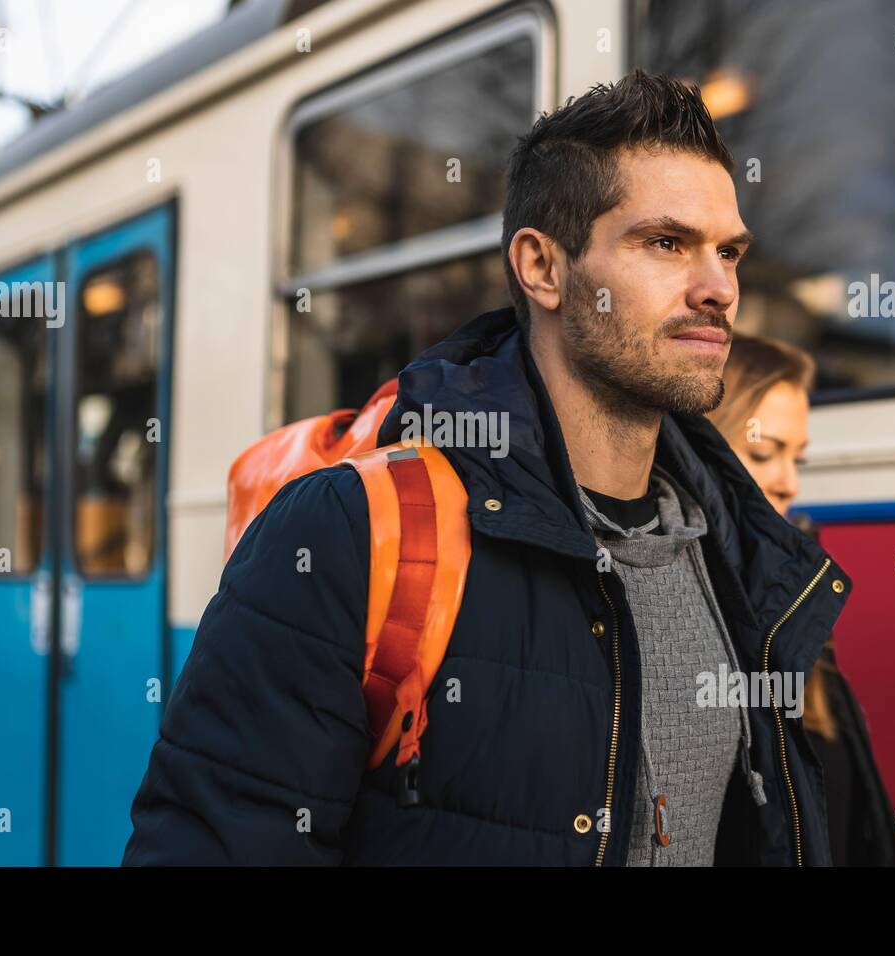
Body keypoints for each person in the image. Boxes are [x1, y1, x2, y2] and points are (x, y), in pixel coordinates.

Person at [123, 69, 853, 866]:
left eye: (730, 253)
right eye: (667, 243)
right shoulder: (347, 531)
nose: (718, 289)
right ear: (542, 268)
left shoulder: (740, 555)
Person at [706, 334, 895, 865]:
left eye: (798, 457)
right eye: (763, 453)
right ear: (703, 450)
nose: (789, 482)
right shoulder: (688, 613)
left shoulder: (800, 595)